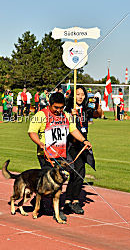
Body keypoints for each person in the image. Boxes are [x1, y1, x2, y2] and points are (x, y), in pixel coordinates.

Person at [28, 92, 92, 221]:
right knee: (50, 182)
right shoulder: (41, 115)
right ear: (50, 105)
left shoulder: (66, 115)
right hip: (46, 154)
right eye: (55, 107)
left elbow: (73, 130)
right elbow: (32, 132)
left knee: (61, 180)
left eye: (61, 107)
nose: (58, 110)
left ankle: (56, 206)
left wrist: (83, 140)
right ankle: (47, 205)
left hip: (61, 154)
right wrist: (39, 143)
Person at [63, 86, 99, 215]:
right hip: (71, 145)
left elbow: (98, 114)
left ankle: (70, 201)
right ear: (73, 96)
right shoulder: (67, 110)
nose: (80, 97)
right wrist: (71, 116)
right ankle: (73, 201)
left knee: (78, 174)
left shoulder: (85, 110)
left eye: (82, 94)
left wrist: (97, 103)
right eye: (78, 94)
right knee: (77, 173)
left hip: (83, 145)